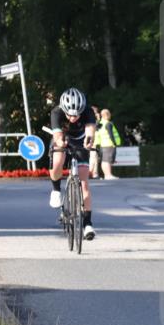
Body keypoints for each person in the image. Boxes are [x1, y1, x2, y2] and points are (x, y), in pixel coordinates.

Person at [48, 88, 97, 240]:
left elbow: (90, 131)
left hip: (80, 141)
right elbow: (57, 135)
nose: (73, 117)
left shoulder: (88, 111)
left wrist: (89, 141)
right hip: (63, 138)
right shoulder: (57, 112)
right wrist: (60, 143)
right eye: (69, 114)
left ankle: (88, 224)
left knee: (84, 184)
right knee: (58, 160)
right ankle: (56, 189)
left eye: (76, 114)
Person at [93, 108, 122, 179]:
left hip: (103, 144)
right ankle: (108, 175)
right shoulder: (108, 123)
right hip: (109, 144)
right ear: (107, 115)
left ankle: (106, 175)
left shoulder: (100, 124)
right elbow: (110, 134)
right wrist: (114, 143)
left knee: (104, 160)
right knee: (107, 161)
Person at [88, 106, 101, 179]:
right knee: (93, 156)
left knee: (94, 156)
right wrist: (98, 119)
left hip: (95, 139)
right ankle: (93, 173)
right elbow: (95, 127)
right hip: (93, 139)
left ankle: (93, 172)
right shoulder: (92, 118)